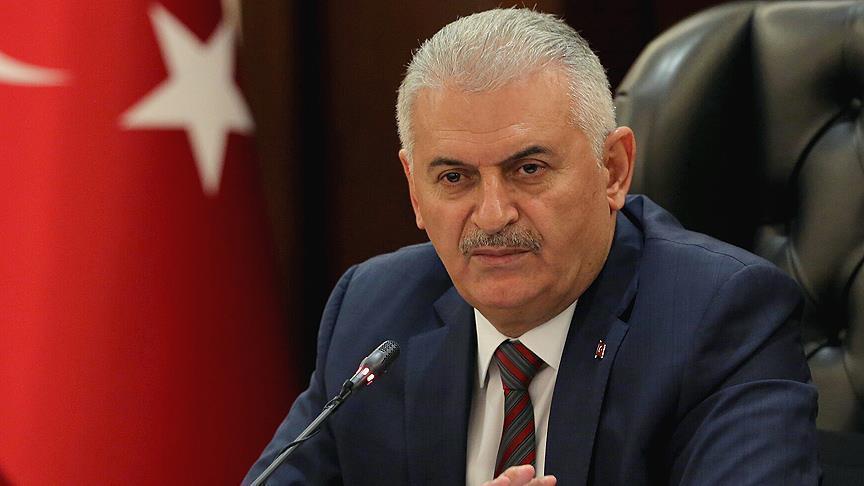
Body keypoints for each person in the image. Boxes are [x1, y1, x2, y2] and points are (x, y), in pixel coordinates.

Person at [244, 8, 819, 485]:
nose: (493, 214)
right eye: (455, 178)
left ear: (614, 169)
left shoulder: (720, 317)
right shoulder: (374, 310)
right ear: (415, 191)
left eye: (529, 169)